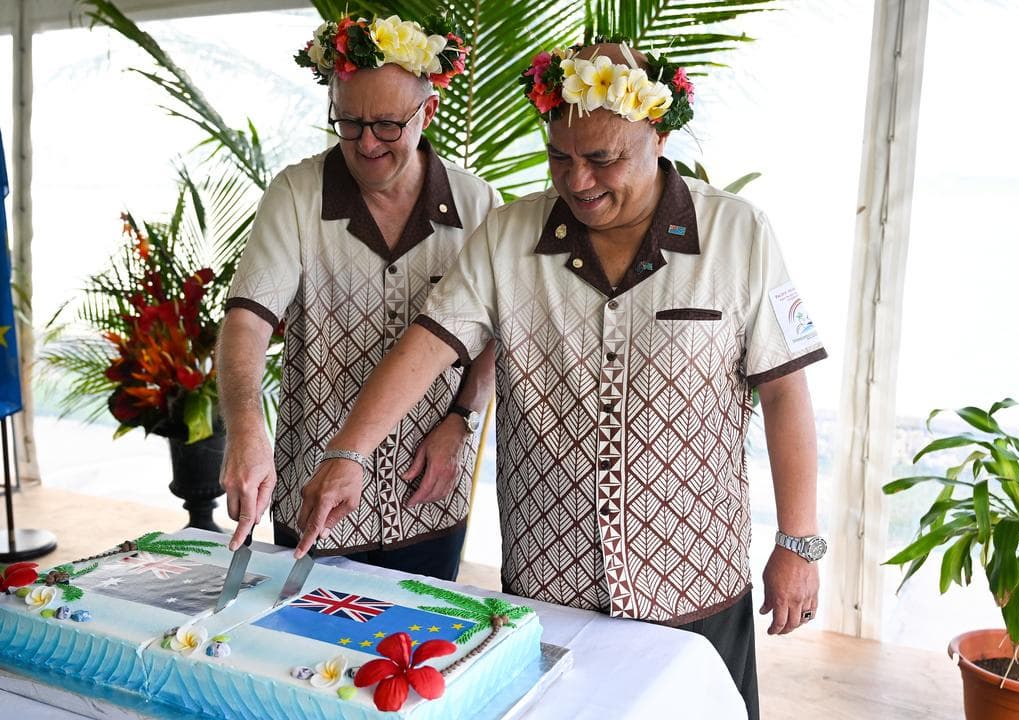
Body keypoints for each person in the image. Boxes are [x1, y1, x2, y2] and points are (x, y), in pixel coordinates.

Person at [293, 42, 829, 718]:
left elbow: (784, 390)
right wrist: (349, 452)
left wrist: (798, 543)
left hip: (695, 588)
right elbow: (429, 343)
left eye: (604, 159)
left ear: (658, 135)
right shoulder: (508, 234)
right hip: (550, 587)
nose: (578, 181)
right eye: (561, 157)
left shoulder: (738, 234)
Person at [217, 14, 498, 582]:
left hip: (429, 497)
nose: (367, 143)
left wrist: (462, 421)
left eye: (389, 125)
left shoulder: (477, 203)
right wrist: (245, 428)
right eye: (350, 123)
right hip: (314, 497)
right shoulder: (297, 194)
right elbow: (247, 320)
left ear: (428, 112)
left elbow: (496, 333)